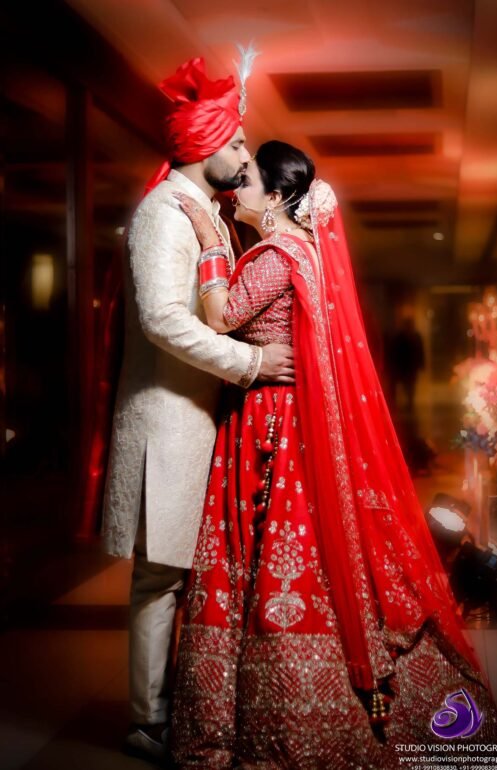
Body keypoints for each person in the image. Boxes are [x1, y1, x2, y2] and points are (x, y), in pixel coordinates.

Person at [169, 140, 497, 769]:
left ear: (275, 196)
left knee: (279, 557)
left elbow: (219, 319)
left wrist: (210, 240)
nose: (233, 190)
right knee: (315, 558)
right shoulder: (300, 249)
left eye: (245, 181)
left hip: (272, 426)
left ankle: (300, 720)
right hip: (288, 420)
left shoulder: (276, 254)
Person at [102, 58, 294, 762]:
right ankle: (145, 721)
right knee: (160, 576)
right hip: (166, 424)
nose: (246, 157)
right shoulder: (162, 213)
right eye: (239, 143)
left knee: (189, 574)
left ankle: (179, 705)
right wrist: (251, 364)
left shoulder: (202, 213)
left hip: (199, 420)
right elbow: (160, 320)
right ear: (208, 143)